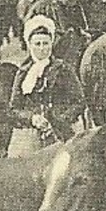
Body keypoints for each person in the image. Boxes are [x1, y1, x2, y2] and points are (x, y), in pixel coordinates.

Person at [8, 15, 85, 157]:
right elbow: (14, 109)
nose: (42, 48)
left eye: (46, 43)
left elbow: (79, 102)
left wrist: (60, 119)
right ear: (29, 45)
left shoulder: (62, 68)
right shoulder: (23, 73)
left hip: (62, 132)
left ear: (52, 44)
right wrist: (32, 118)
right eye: (37, 44)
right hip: (32, 134)